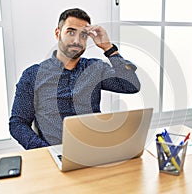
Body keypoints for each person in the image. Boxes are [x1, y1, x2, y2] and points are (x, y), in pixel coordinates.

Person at [9, 8, 140, 150]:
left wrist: (108, 47)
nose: (77, 40)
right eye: (70, 32)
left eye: (83, 35)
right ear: (58, 33)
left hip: (96, 150)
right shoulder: (33, 75)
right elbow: (18, 124)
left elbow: (131, 85)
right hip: (54, 152)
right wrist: (47, 151)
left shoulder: (95, 68)